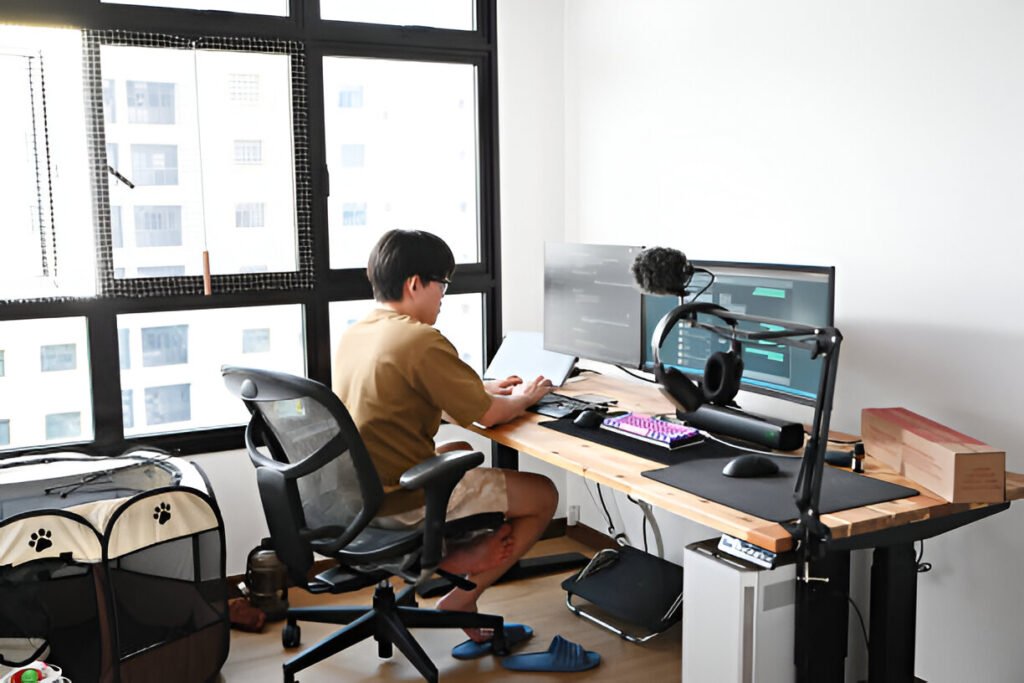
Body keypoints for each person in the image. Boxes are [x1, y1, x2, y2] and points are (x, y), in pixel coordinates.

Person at [332, 228, 558, 642]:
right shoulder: (419, 338)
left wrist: (479, 388)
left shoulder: (359, 332)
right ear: (415, 283)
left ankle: (457, 555)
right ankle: (459, 596)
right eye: (443, 285)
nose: (443, 297)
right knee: (543, 494)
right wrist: (524, 397)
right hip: (397, 499)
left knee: (456, 448)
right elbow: (489, 417)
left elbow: (405, 393)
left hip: (356, 494)